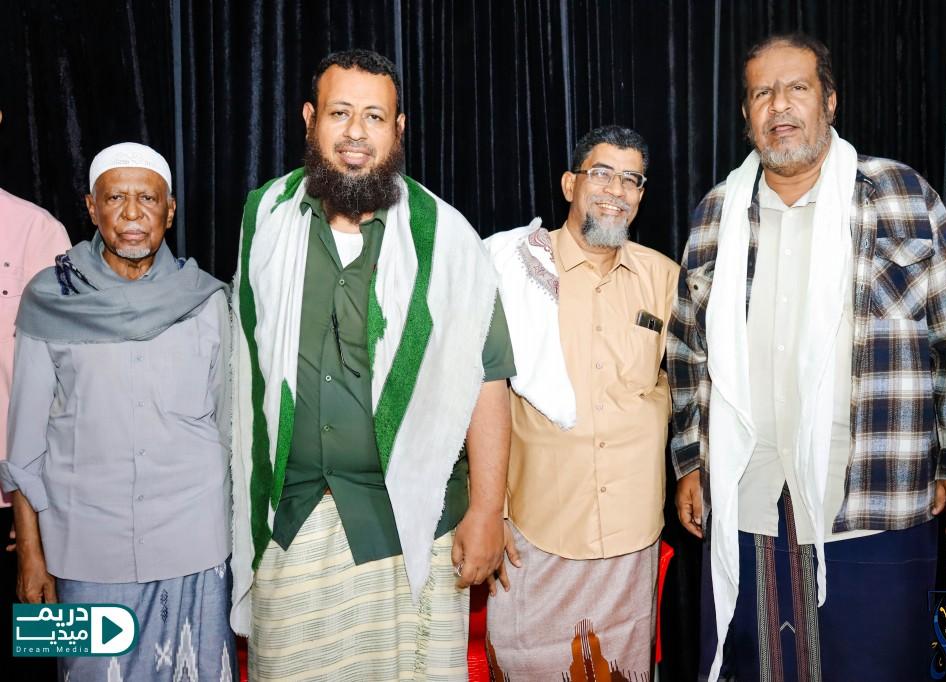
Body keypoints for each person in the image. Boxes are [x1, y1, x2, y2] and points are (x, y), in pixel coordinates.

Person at [667, 34, 946, 681]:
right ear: (747, 114)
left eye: (797, 88)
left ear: (829, 100)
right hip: (748, 497)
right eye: (762, 93)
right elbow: (686, 350)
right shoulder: (717, 214)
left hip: (873, 495)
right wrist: (688, 461)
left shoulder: (900, 194)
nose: (779, 105)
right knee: (761, 667)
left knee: (879, 665)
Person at [230, 49, 516, 680]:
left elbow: (488, 377)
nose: (356, 132)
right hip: (292, 520)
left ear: (398, 128)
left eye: (374, 117)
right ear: (310, 120)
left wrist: (486, 510)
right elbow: (245, 366)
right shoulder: (265, 219)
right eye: (339, 113)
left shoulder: (448, 238)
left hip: (412, 527)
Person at [0, 142, 234, 681]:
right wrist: (30, 555)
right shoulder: (48, 298)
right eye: (115, 198)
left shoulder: (207, 299)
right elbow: (25, 445)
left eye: (147, 199)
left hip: (195, 548)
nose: (132, 214)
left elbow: (226, 433)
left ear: (169, 210)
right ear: (91, 207)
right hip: (83, 550)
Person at [483, 125, 679, 679]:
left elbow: (691, 386)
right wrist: (490, 511)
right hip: (535, 528)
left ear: (641, 195)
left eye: (631, 179)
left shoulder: (664, 278)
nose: (616, 190)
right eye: (602, 174)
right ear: (570, 184)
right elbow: (478, 395)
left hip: (629, 533)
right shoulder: (516, 269)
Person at [0, 109, 71, 681]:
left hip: (17, 517)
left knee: (35, 659)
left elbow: (64, 394)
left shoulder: (38, 232)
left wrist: (34, 529)